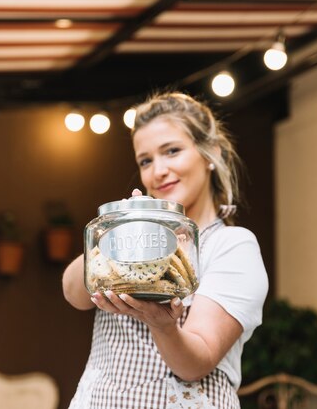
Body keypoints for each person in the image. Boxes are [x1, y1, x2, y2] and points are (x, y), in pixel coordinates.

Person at [62, 92, 268, 408]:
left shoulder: (232, 245)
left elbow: (195, 363)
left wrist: (163, 324)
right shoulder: (130, 235)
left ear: (210, 153)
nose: (158, 171)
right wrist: (114, 231)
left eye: (171, 151)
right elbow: (74, 294)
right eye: (146, 160)